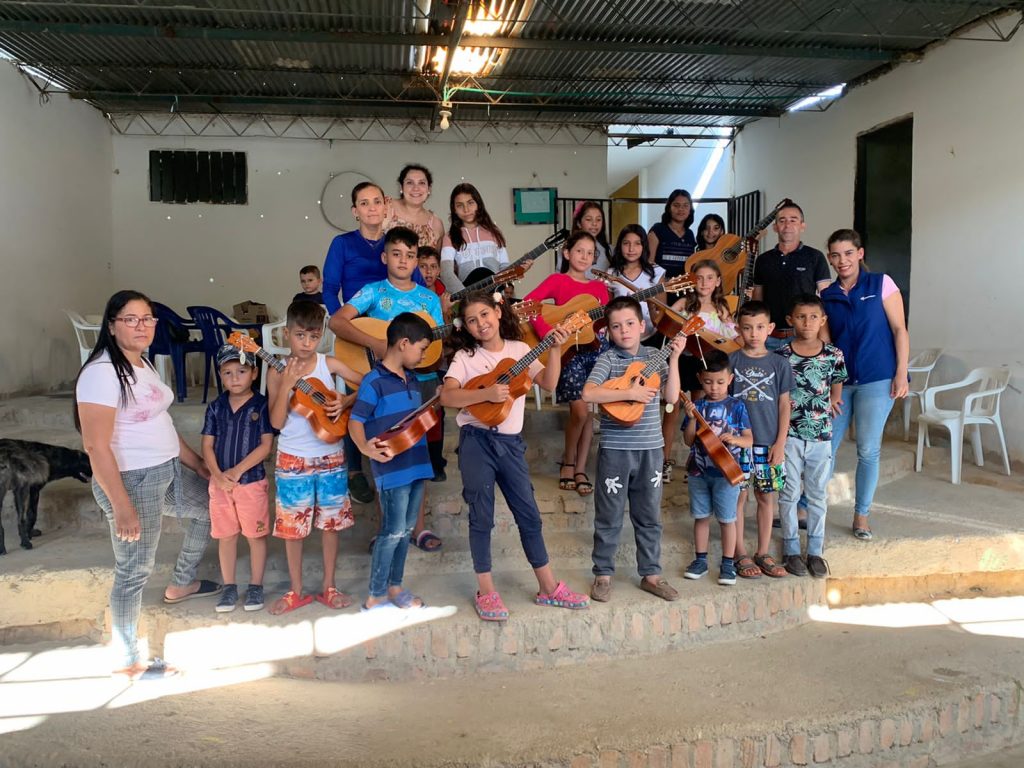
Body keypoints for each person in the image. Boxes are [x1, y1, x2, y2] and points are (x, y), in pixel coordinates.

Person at [75, 290, 221, 680]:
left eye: (148, 318)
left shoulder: (142, 364)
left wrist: (198, 464)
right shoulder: (101, 373)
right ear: (111, 326)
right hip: (133, 481)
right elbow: (95, 444)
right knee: (134, 570)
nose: (143, 326)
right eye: (131, 319)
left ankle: (182, 581)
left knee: (209, 508)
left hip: (167, 469)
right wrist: (121, 505)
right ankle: (126, 661)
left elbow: (162, 423)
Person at [441, 291, 589, 620]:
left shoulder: (521, 350)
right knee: (481, 516)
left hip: (510, 445)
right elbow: (447, 396)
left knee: (529, 515)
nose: (480, 323)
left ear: (497, 311)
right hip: (476, 441)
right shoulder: (465, 356)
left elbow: (549, 384)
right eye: (471, 320)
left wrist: (555, 348)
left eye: (484, 315)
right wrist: (485, 393)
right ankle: (487, 591)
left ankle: (548, 587)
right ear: (465, 327)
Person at [332, 226, 445, 551]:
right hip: (383, 387)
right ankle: (389, 529)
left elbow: (436, 344)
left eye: (410, 255)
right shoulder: (371, 291)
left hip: (420, 384)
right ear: (384, 257)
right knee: (385, 455)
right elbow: (338, 322)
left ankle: (418, 529)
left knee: (417, 455)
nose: (403, 260)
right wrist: (378, 345)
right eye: (396, 254)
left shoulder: (428, 298)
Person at [324, 181, 426, 505]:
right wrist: (348, 329)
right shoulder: (342, 244)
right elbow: (329, 289)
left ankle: (401, 462)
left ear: (385, 206)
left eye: (376, 202)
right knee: (357, 399)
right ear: (355, 211)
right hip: (356, 334)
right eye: (363, 203)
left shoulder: (396, 245)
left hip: (395, 340)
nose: (370, 208)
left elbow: (418, 287)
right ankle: (355, 471)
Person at [582, 296, 686, 602]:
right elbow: (589, 391)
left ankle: (651, 575)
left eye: (629, 323)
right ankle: (603, 574)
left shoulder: (655, 355)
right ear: (610, 332)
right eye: (616, 326)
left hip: (651, 449)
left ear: (642, 325)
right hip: (615, 449)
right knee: (609, 515)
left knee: (649, 515)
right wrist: (629, 391)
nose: (624, 331)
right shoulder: (609, 360)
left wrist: (676, 358)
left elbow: (671, 397)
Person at [267, 300, 363, 615]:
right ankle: (295, 590)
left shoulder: (329, 363)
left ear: (321, 335)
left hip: (331, 456)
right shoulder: (275, 369)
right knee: (292, 530)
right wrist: (287, 387)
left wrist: (345, 401)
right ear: (285, 334)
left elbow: (369, 383)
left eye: (313, 336)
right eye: (299, 336)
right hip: (292, 460)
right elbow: (276, 422)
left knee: (330, 525)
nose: (306, 344)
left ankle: (329, 587)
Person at [820, 228, 910, 541]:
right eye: (835, 255)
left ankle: (862, 514)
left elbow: (899, 330)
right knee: (824, 448)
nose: (842, 260)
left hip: (878, 378)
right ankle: (810, 507)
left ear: (860, 254)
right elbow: (827, 343)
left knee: (868, 449)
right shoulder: (827, 295)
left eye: (848, 253)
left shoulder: (881, 284)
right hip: (840, 383)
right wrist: (828, 382)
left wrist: (901, 372)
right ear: (830, 259)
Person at [349, 313, 436, 611]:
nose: (423, 355)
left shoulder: (412, 380)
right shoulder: (374, 382)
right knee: (391, 531)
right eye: (421, 348)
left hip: (417, 465)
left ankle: (396, 587)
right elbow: (356, 421)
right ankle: (375, 593)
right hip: (392, 470)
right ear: (403, 343)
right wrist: (365, 448)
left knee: (407, 528)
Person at [523, 231, 610, 497]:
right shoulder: (557, 281)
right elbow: (528, 304)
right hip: (567, 354)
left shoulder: (599, 288)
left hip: (593, 351)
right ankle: (568, 459)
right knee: (581, 412)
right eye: (579, 251)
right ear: (567, 253)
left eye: (590, 253)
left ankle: (579, 467)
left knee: (590, 411)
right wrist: (547, 331)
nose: (585, 257)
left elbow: (603, 323)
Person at [776, 294, 848, 577]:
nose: (807, 323)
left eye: (813, 317)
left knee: (818, 494)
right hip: (790, 434)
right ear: (790, 320)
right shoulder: (782, 354)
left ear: (823, 320)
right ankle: (792, 549)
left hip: (821, 436)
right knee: (790, 492)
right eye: (801, 317)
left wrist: (834, 399)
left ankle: (815, 551)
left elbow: (838, 379)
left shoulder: (833, 354)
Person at [200, 345, 275, 612]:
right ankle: (229, 587)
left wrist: (237, 471)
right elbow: (207, 445)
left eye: (241, 371)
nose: (235, 378)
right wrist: (218, 475)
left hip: (251, 481)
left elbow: (266, 446)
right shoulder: (216, 407)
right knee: (226, 535)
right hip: (219, 485)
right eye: (227, 372)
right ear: (220, 375)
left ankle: (255, 587)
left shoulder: (262, 405)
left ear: (254, 373)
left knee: (255, 536)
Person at [728, 300, 793, 579]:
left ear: (770, 328)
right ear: (738, 329)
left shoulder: (780, 363)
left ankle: (763, 551)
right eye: (747, 328)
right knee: (738, 497)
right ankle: (740, 552)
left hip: (768, 443)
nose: (753, 333)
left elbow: (784, 404)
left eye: (759, 327)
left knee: (766, 497)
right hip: (739, 443)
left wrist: (781, 443)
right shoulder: (732, 361)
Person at [661, 259, 738, 483]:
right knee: (671, 410)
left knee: (698, 413)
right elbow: (666, 321)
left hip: (706, 364)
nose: (704, 282)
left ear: (718, 282)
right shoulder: (685, 303)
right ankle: (664, 461)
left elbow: (730, 336)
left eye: (709, 278)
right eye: (699, 278)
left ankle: (693, 461)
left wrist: (727, 325)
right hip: (682, 361)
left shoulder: (721, 307)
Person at [681, 351, 753, 586]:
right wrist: (691, 418)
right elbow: (688, 441)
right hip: (698, 472)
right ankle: (700, 561)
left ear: (730, 379)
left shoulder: (737, 406)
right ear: (700, 379)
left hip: (726, 474)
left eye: (720, 382)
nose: (714, 387)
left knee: (726, 519)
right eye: (709, 382)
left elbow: (749, 439)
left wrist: (734, 440)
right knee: (700, 517)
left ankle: (728, 563)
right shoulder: (698, 405)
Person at [751, 202, 831, 351]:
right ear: (775, 227)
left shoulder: (815, 257)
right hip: (770, 339)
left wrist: (824, 337)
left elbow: (824, 300)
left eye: (793, 220)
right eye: (782, 220)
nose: (787, 225)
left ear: (802, 225)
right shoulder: (763, 260)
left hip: (804, 338)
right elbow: (758, 301)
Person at [440, 183, 509, 292]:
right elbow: (446, 273)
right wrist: (466, 297)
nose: (466, 209)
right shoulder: (450, 237)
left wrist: (520, 269)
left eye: (470, 203)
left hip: (496, 296)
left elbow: (504, 266)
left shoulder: (494, 233)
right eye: (460, 205)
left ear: (478, 204)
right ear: (454, 209)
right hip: (467, 300)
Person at [605, 223, 665, 343]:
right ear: (620, 246)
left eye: (637, 243)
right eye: (626, 243)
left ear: (644, 246)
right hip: (620, 337)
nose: (631, 249)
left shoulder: (657, 272)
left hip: (650, 337)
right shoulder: (611, 273)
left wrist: (650, 304)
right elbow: (607, 310)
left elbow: (662, 312)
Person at [382, 163, 445, 250]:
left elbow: (436, 261)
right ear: (401, 187)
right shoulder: (385, 206)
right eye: (410, 183)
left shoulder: (436, 224)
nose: (416, 188)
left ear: (429, 189)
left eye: (422, 183)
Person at [647, 189, 696, 281]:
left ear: (690, 209)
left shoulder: (690, 234)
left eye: (685, 205)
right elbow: (649, 263)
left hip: (684, 287)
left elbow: (691, 265)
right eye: (676, 205)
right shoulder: (657, 230)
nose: (681, 209)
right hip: (661, 287)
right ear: (669, 208)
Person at [572, 201, 612, 277]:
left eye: (598, 220)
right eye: (589, 219)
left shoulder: (610, 250)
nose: (594, 224)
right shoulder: (569, 248)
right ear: (578, 223)